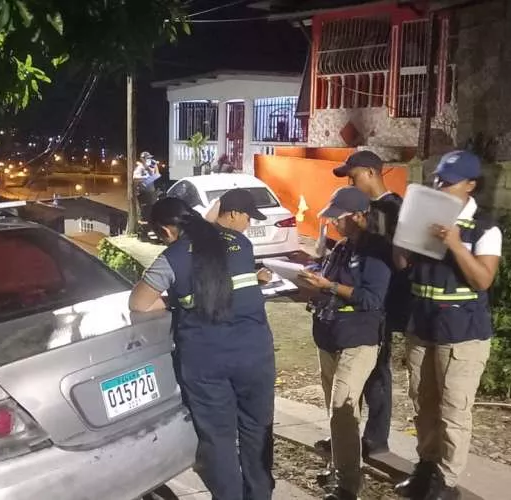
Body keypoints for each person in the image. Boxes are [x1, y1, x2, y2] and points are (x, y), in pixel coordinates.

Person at [128, 189, 275, 500]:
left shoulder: (173, 256)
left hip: (206, 361)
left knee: (218, 438)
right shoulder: (240, 243)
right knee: (257, 429)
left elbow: (139, 304)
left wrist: (176, 305)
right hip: (255, 354)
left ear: (166, 230)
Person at [393, 150, 502, 500]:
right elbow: (402, 265)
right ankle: (425, 465)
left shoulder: (485, 228)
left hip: (462, 332)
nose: (440, 185)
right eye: (437, 178)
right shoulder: (427, 217)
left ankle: (446, 481)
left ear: (471, 185)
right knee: (422, 402)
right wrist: (404, 236)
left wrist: (455, 245)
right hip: (422, 325)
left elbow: (483, 280)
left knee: (454, 410)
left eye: (449, 181)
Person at [313, 150, 410, 460]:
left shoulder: (391, 209)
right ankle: (348, 438)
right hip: (360, 307)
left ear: (370, 172)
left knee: (377, 372)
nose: (351, 183)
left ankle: (374, 439)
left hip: (384, 302)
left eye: (353, 177)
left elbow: (395, 257)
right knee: (361, 375)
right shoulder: (367, 210)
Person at [298, 186, 392, 500]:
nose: (335, 223)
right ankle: (342, 467)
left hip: (358, 338)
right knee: (335, 410)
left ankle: (348, 486)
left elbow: (372, 298)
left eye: (339, 218)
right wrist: (312, 279)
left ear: (359, 216)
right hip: (329, 335)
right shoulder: (341, 247)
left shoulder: (376, 251)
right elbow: (327, 279)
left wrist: (330, 286)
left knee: (343, 408)